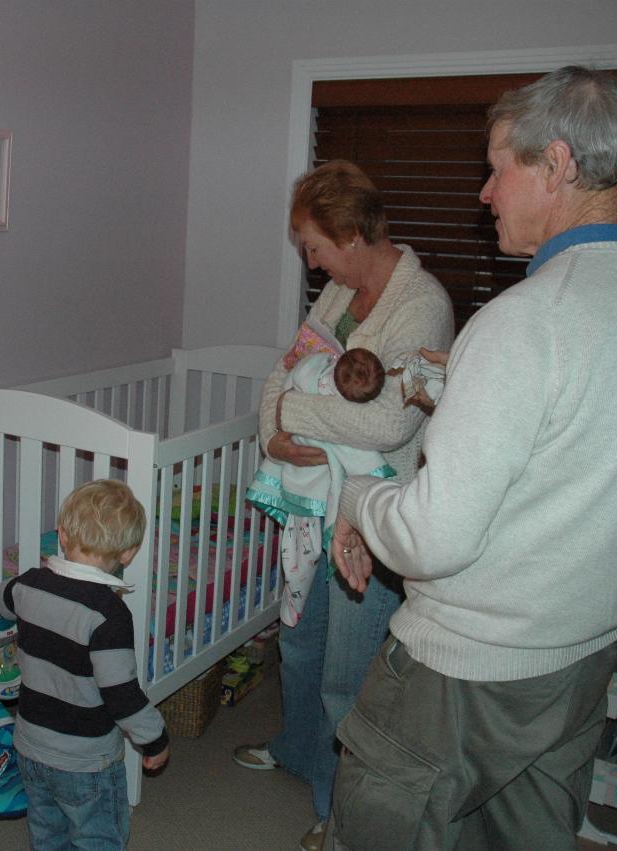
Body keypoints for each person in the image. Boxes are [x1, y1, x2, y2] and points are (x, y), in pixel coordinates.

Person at [326, 66, 617, 850]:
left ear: (559, 165)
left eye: (500, 165)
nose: (484, 191)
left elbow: (433, 536)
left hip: (463, 670)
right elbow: (585, 464)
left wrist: (355, 503)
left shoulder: (526, 320)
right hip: (581, 657)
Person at [233, 160, 454, 851]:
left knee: (345, 672)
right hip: (312, 508)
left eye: (315, 243)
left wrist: (293, 409)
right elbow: (282, 368)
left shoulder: (423, 307)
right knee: (298, 645)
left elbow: (392, 423)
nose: (310, 258)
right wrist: (273, 429)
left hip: (369, 515)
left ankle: (339, 809)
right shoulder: (334, 293)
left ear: (353, 234)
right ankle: (299, 750)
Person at [0, 479, 171, 850]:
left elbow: (2, 602)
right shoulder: (109, 615)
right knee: (98, 837)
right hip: (85, 760)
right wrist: (154, 739)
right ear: (128, 553)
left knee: (47, 831)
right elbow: (121, 695)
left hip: (30, 744)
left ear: (61, 532)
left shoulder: (29, 584)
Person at [246, 321, 394, 628]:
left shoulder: (314, 366)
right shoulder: (338, 396)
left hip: (311, 487)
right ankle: (295, 596)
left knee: (300, 547)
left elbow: (290, 380)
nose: (313, 268)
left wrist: (290, 407)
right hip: (312, 482)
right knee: (304, 546)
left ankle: (293, 595)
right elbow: (364, 454)